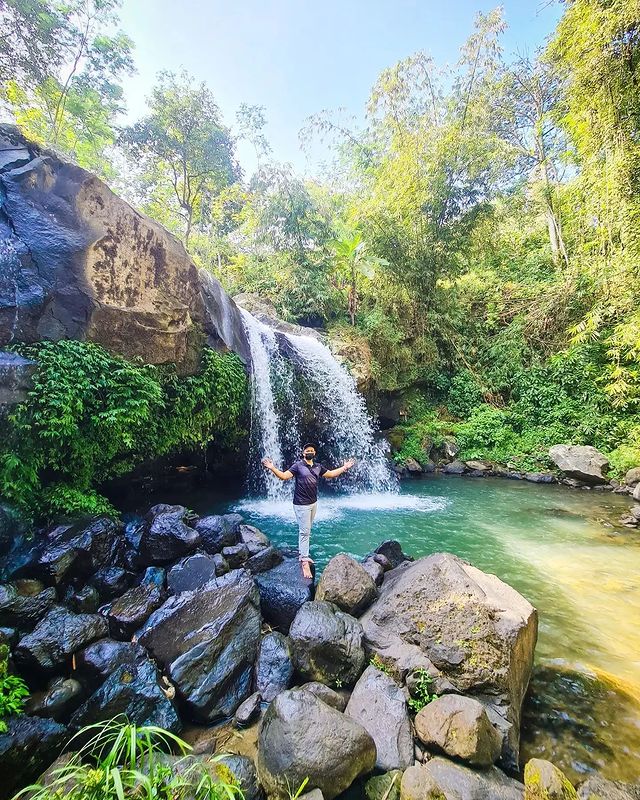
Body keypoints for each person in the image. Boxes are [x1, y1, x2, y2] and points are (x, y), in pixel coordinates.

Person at [262, 444, 355, 578]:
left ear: (314, 453)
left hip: (313, 503)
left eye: (311, 450)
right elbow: (283, 476)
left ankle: (304, 554)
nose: (309, 452)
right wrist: (272, 468)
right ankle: (304, 560)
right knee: (304, 531)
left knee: (307, 530)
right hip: (301, 504)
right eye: (307, 451)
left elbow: (331, 474)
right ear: (303, 453)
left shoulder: (318, 467)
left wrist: (345, 467)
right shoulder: (297, 466)